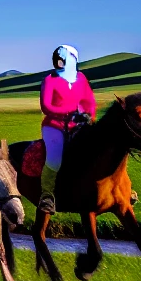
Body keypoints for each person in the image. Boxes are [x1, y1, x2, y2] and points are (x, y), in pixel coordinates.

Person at [38, 44, 95, 213]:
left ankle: (117, 190)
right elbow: (46, 106)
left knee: (98, 149)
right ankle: (46, 196)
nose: (60, 62)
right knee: (54, 157)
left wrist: (88, 115)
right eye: (58, 58)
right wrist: (69, 112)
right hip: (53, 126)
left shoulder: (81, 79)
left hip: (78, 126)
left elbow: (89, 101)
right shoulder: (49, 80)